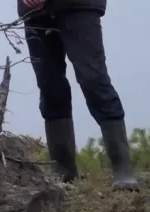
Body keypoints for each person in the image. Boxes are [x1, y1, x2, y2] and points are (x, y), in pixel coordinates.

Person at [17, 0, 140, 191]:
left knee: (93, 79)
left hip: (80, 5)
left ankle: (122, 167)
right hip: (35, 11)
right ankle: (63, 172)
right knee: (50, 87)